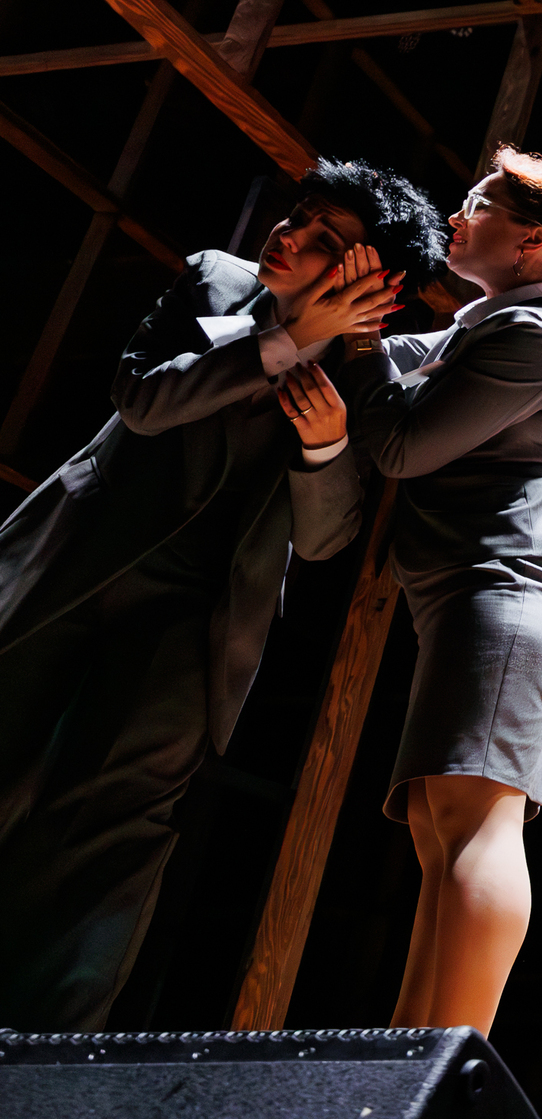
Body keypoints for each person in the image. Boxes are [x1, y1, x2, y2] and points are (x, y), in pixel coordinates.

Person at [0, 159, 439, 1032]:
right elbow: (143, 400)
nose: (291, 235)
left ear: (373, 284)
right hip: (73, 567)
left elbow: (325, 539)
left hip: (193, 628)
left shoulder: (365, 376)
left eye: (325, 239)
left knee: (107, 848)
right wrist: (280, 341)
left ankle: (40, 1056)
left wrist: (324, 448)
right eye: (299, 215)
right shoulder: (215, 279)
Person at [338, 145, 542, 1036]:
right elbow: (390, 364)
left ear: (531, 241)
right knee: (441, 824)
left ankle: (449, 1060)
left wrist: (356, 340)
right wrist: (347, 331)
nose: (456, 217)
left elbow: (398, 445)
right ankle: (413, 1046)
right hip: (469, 594)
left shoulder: (529, 338)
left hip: (510, 590)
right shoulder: (484, 324)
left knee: (475, 820)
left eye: (478, 205)